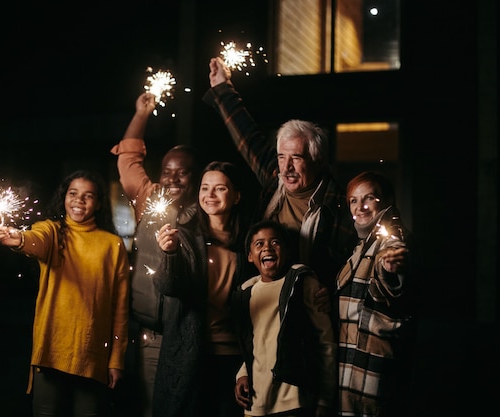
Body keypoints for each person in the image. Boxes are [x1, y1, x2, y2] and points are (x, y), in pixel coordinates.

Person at [203, 56, 357, 295]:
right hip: (264, 297)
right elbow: (247, 137)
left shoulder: (337, 204)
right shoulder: (275, 180)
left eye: (296, 157)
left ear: (316, 160)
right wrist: (223, 89)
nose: (286, 168)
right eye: (281, 157)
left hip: (308, 305)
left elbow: (350, 264)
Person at [0, 169, 130, 417]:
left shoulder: (113, 245)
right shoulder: (52, 231)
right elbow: (36, 239)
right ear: (64, 197)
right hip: (52, 350)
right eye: (73, 193)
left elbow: (120, 308)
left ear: (98, 204)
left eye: (88, 196)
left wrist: (116, 360)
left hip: (94, 354)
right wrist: (19, 238)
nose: (79, 200)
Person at [110, 91, 200, 417]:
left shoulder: (205, 212)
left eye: (183, 172)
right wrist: (141, 114)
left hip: (187, 338)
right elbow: (127, 159)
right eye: (167, 171)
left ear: (197, 177)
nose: (173, 179)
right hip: (149, 337)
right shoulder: (150, 200)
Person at [154, 161, 255, 417]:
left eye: (220, 188)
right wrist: (170, 253)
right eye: (204, 188)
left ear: (237, 196)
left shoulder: (249, 244)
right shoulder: (186, 238)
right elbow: (168, 286)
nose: (209, 195)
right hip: (191, 353)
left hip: (236, 357)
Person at [232, 220, 337, 417]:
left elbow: (326, 342)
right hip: (256, 402)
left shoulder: (301, 282)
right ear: (249, 256)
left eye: (275, 242)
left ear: (287, 251)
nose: (267, 248)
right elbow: (254, 344)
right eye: (259, 244)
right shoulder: (246, 294)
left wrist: (325, 398)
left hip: (293, 401)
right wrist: (243, 374)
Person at [336, 171, 419, 417]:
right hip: (349, 368)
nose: (360, 206)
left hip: (373, 375)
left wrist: (393, 269)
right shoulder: (361, 245)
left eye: (369, 198)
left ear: (386, 200)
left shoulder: (391, 238)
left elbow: (393, 264)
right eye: (353, 200)